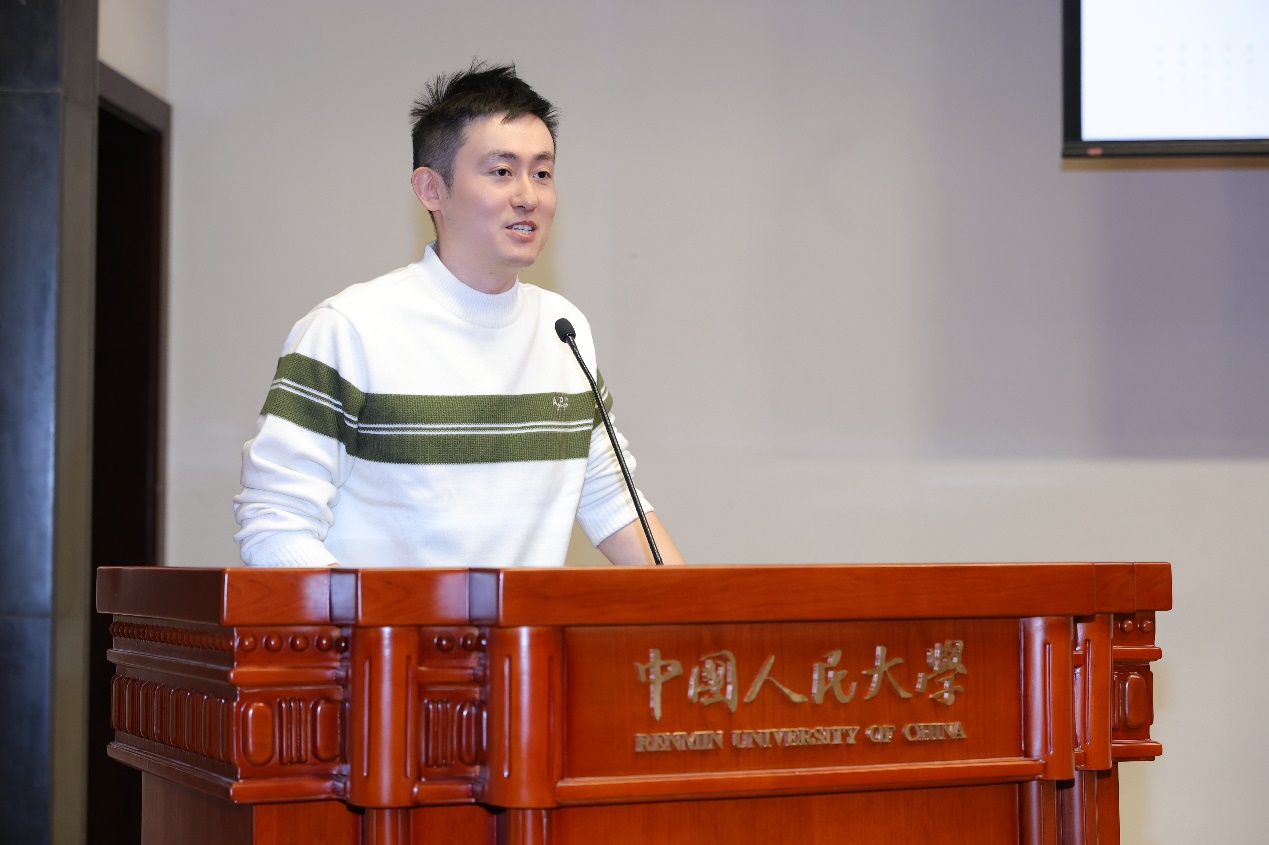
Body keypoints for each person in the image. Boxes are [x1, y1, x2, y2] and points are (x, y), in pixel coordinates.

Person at [233, 62, 683, 569]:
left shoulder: (564, 329)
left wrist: (702, 611)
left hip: (526, 626)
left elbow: (615, 505)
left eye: (542, 173)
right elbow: (275, 524)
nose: (528, 197)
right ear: (431, 189)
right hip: (381, 624)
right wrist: (376, 616)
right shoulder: (350, 329)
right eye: (501, 172)